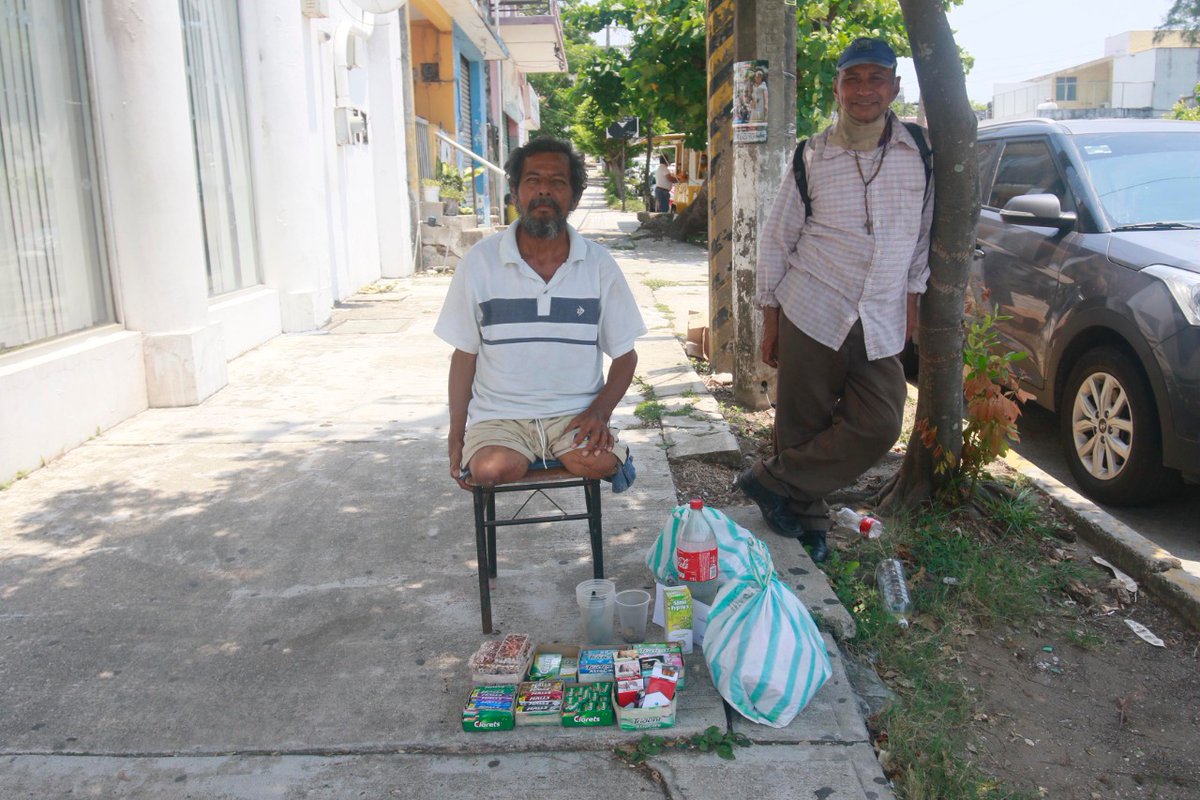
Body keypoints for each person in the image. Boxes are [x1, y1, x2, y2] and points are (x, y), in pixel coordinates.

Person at [735, 37, 933, 563]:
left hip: (881, 313)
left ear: (894, 86)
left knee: (882, 422)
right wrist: (771, 321)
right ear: (838, 87)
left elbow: (922, 240)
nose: (864, 89)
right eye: (853, 79)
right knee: (802, 421)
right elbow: (777, 242)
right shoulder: (811, 156)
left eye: (875, 78)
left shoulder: (921, 154)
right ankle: (810, 520)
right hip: (812, 306)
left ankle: (770, 481)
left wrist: (912, 305)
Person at [435, 137, 646, 493]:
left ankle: (569, 448)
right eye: (533, 181)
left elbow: (626, 356)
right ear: (515, 193)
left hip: (575, 416)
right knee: (490, 468)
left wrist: (599, 413)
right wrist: (457, 434)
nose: (544, 191)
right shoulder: (479, 263)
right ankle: (519, 450)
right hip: (500, 418)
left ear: (575, 198)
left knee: (598, 462)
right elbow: (464, 354)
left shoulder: (598, 265)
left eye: (557, 183)